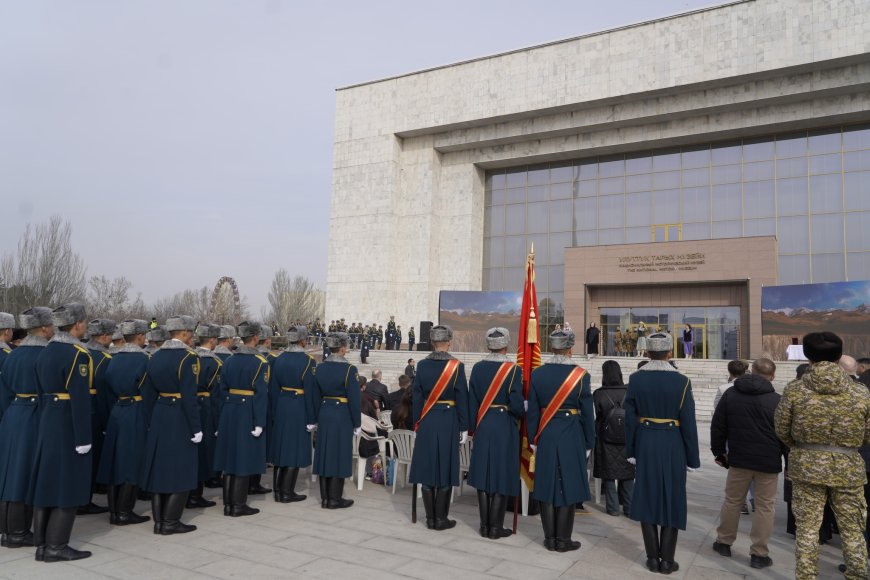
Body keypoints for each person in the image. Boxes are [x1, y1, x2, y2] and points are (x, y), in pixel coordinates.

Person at [775, 331, 870, 580]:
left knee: (807, 530)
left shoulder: (795, 390)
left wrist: (805, 448)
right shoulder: (860, 392)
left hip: (806, 467)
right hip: (848, 467)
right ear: (839, 355)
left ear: (808, 356)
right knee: (853, 529)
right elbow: (868, 434)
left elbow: (782, 430)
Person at [624, 332, 700, 574]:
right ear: (669, 353)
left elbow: (630, 420)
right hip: (672, 442)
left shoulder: (636, 379)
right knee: (672, 496)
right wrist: (692, 457)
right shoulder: (682, 381)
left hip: (646, 440)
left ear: (647, 353)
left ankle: (652, 558)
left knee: (646, 495)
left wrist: (631, 449)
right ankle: (667, 559)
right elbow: (688, 421)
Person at [29, 303, 94, 562]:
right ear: (77, 324)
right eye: (84, 322)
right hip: (68, 423)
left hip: (48, 420)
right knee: (68, 485)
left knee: (46, 484)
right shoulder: (77, 354)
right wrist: (84, 438)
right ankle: (57, 546)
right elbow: (80, 399)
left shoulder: (45, 352)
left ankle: (42, 545)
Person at [711, 358, 785, 569]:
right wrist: (789, 462)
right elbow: (786, 436)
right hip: (768, 461)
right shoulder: (777, 400)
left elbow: (718, 426)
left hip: (739, 458)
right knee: (765, 506)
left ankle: (724, 542)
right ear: (773, 376)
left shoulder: (731, 395)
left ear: (751, 372)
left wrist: (719, 452)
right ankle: (759, 553)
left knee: (733, 501)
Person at [527, 329, 594, 552]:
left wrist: (533, 438)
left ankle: (549, 538)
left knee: (546, 485)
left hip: (545, 434)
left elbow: (533, 412)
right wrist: (589, 442)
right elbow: (587, 413)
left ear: (552, 347)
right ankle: (563, 540)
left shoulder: (538, 374)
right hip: (572, 434)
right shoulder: (581, 375)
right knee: (569, 483)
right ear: (569, 349)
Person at [139, 314, 202, 535]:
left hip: (159, 413)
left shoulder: (154, 356)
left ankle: (159, 521)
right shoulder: (188, 358)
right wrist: (196, 427)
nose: (193, 337)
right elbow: (189, 396)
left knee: (160, 471)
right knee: (181, 470)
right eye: (191, 333)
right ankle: (171, 521)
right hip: (179, 416)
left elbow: (147, 393)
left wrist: (150, 419)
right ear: (184, 333)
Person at [0, 307, 53, 550]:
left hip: (14, 414)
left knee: (11, 474)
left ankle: (9, 530)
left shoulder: (13, 354)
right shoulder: (46, 355)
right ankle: (18, 532)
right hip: (35, 415)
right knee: (24, 474)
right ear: (43, 327)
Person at [410, 325, 469, 531]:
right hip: (448, 420)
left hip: (426, 420)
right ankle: (441, 519)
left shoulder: (422, 365)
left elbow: (416, 398)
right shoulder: (456, 366)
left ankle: (430, 518)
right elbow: (462, 398)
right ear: (449, 342)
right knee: (445, 466)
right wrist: (464, 426)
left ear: (432, 343)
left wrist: (416, 423)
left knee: (427, 467)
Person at [468, 327, 523, 539]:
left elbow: (472, 400)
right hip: (504, 424)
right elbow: (517, 404)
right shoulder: (513, 370)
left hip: (483, 423)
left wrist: (473, 427)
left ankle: (484, 526)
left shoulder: (478, 368)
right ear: (506, 346)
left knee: (483, 474)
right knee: (500, 474)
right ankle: (496, 527)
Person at [97, 319, 151, 526]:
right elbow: (147, 392)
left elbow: (107, 390)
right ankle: (124, 512)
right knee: (131, 462)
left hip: (117, 411)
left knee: (115, 461)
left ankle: (114, 511)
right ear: (139, 337)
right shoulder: (144, 360)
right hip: (136, 411)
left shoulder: (113, 358)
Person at [214, 321, 269, 517]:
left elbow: (222, 391)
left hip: (229, 410)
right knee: (243, 459)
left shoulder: (229, 360)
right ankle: (237, 505)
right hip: (248, 411)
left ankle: (229, 504)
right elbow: (261, 395)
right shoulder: (260, 362)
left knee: (230, 460)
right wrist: (259, 422)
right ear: (255, 337)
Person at [309, 332, 361, 509]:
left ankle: (325, 498)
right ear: (343, 348)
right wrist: (357, 423)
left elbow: (315, 396)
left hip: (324, 413)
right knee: (339, 455)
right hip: (341, 415)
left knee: (324, 455)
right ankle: (335, 499)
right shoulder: (349, 370)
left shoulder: (320, 368)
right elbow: (354, 399)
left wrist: (314, 418)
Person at [268, 325, 316, 503]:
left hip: (282, 405)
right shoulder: (307, 361)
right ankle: (286, 492)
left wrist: (274, 411)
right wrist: (312, 418)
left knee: (282, 448)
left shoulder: (278, 359)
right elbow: (310, 391)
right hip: (298, 407)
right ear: (303, 340)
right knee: (294, 450)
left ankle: (280, 490)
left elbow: (273, 389)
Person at [82, 318, 117, 516]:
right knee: (92, 459)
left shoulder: (82, 352)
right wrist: (107, 422)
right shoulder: (105, 359)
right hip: (96, 411)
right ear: (103, 336)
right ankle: (84, 500)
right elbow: (105, 394)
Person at [593, 360, 635, 517]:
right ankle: (630, 507)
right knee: (628, 472)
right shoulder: (630, 391)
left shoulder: (599, 394)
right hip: (627, 438)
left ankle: (612, 508)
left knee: (608, 473)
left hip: (606, 439)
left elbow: (596, 416)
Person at [187, 323, 222, 509]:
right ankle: (195, 495)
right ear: (212, 340)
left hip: (190, 405)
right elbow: (217, 395)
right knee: (203, 452)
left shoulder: (190, 357)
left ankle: (191, 492)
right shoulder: (215, 363)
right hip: (206, 408)